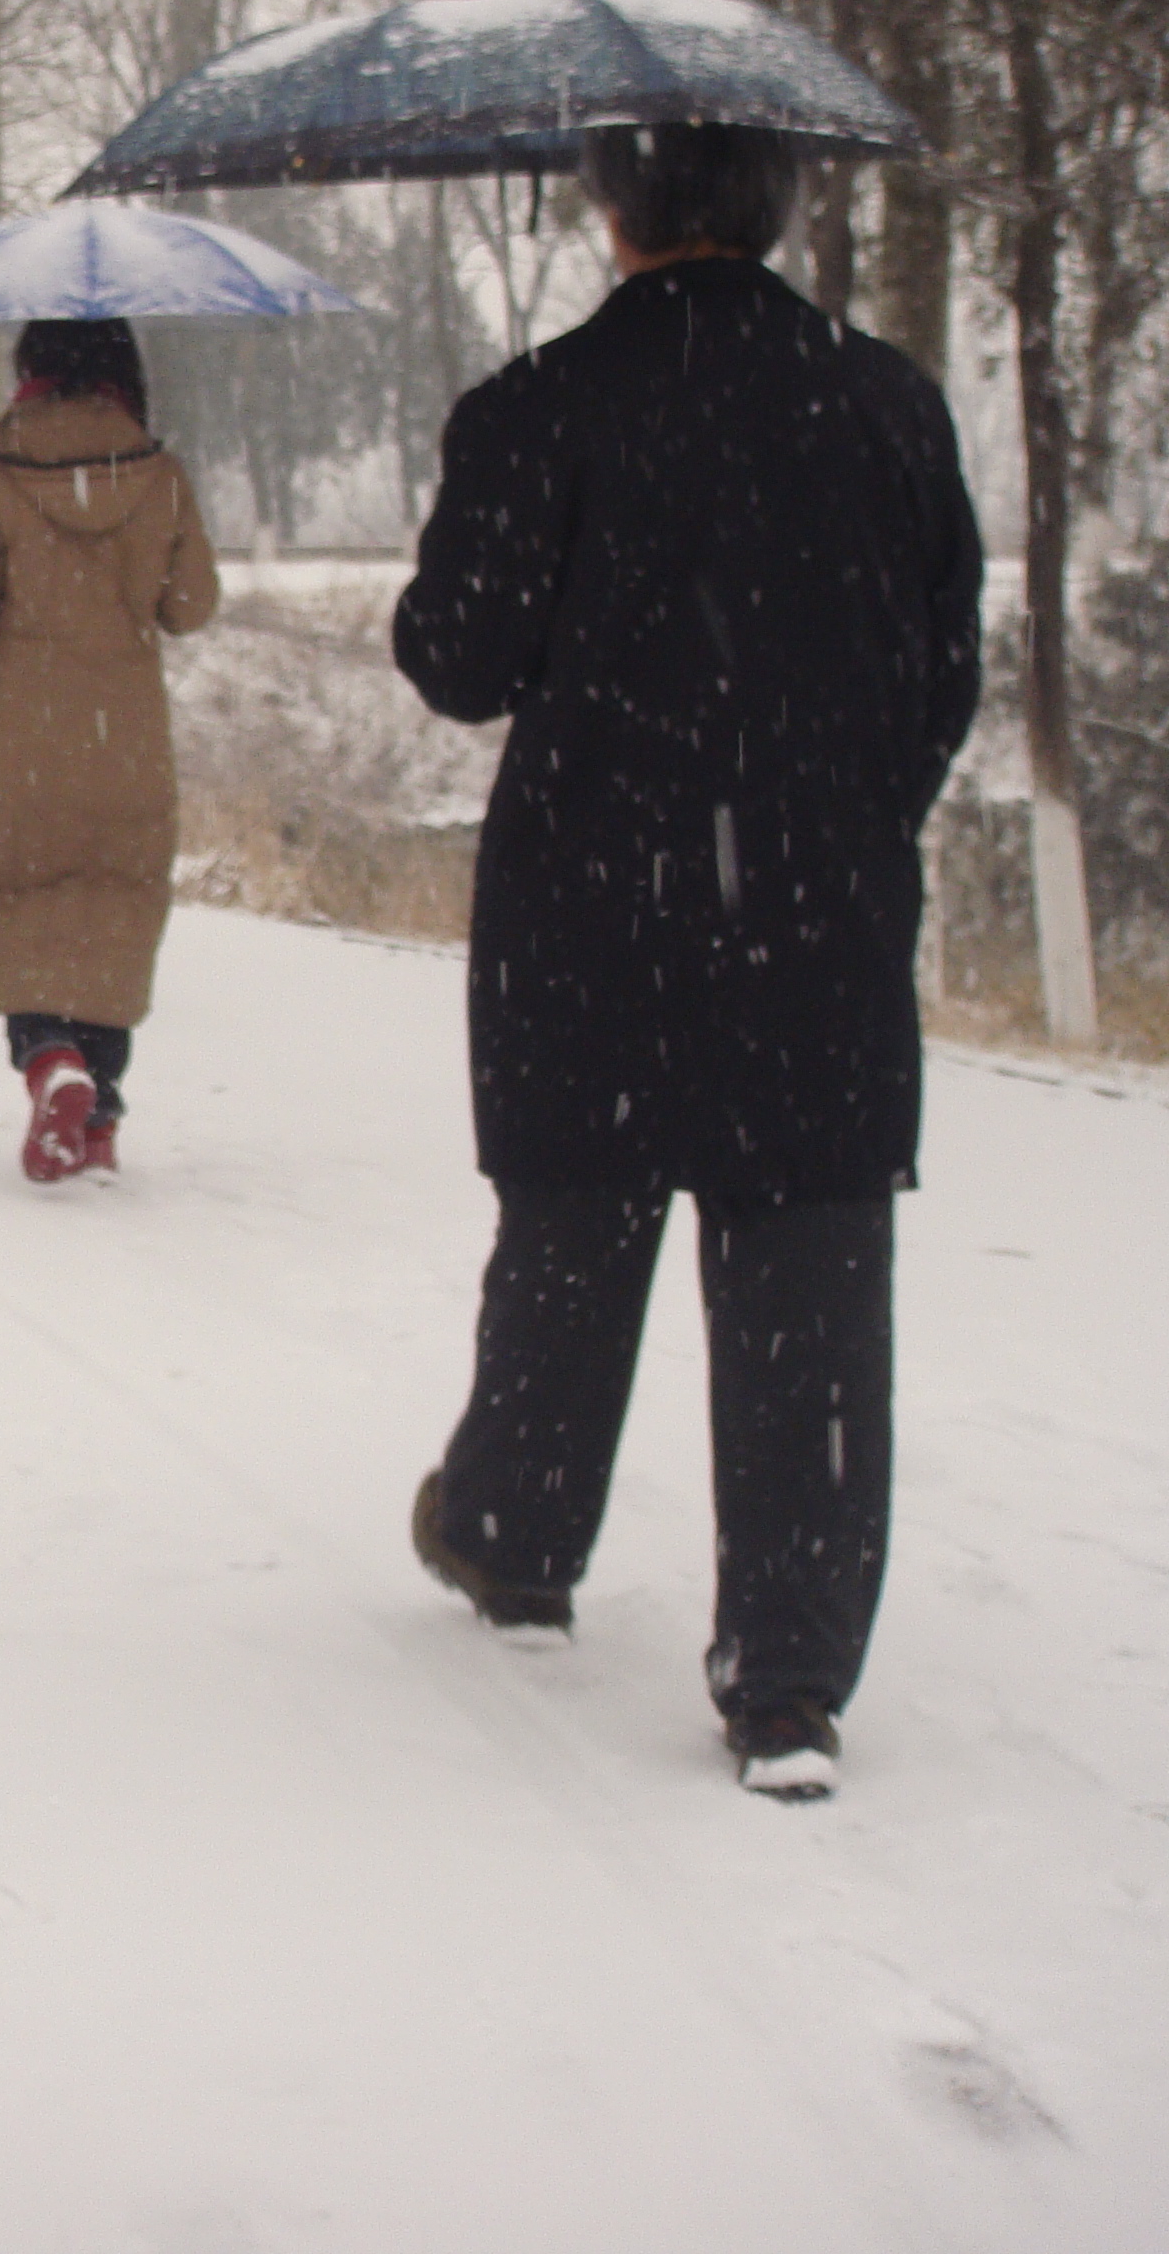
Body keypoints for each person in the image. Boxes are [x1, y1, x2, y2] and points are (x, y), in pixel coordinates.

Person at [393, 121, 984, 1803]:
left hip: (591, 905)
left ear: (612, 211)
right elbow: (937, 674)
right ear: (776, 209)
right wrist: (837, 809)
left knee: (572, 1225)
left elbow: (456, 657)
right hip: (815, 910)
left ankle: (512, 1536)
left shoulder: (534, 407)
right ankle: (784, 1682)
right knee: (808, 1274)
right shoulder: (881, 405)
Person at [0, 316, 219, 1183]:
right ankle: (99, 1113)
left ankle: (50, 1062)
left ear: (28, 367)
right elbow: (192, 606)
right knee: (113, 919)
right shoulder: (160, 472)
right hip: (129, 745)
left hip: (22, 749)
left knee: (17, 913)